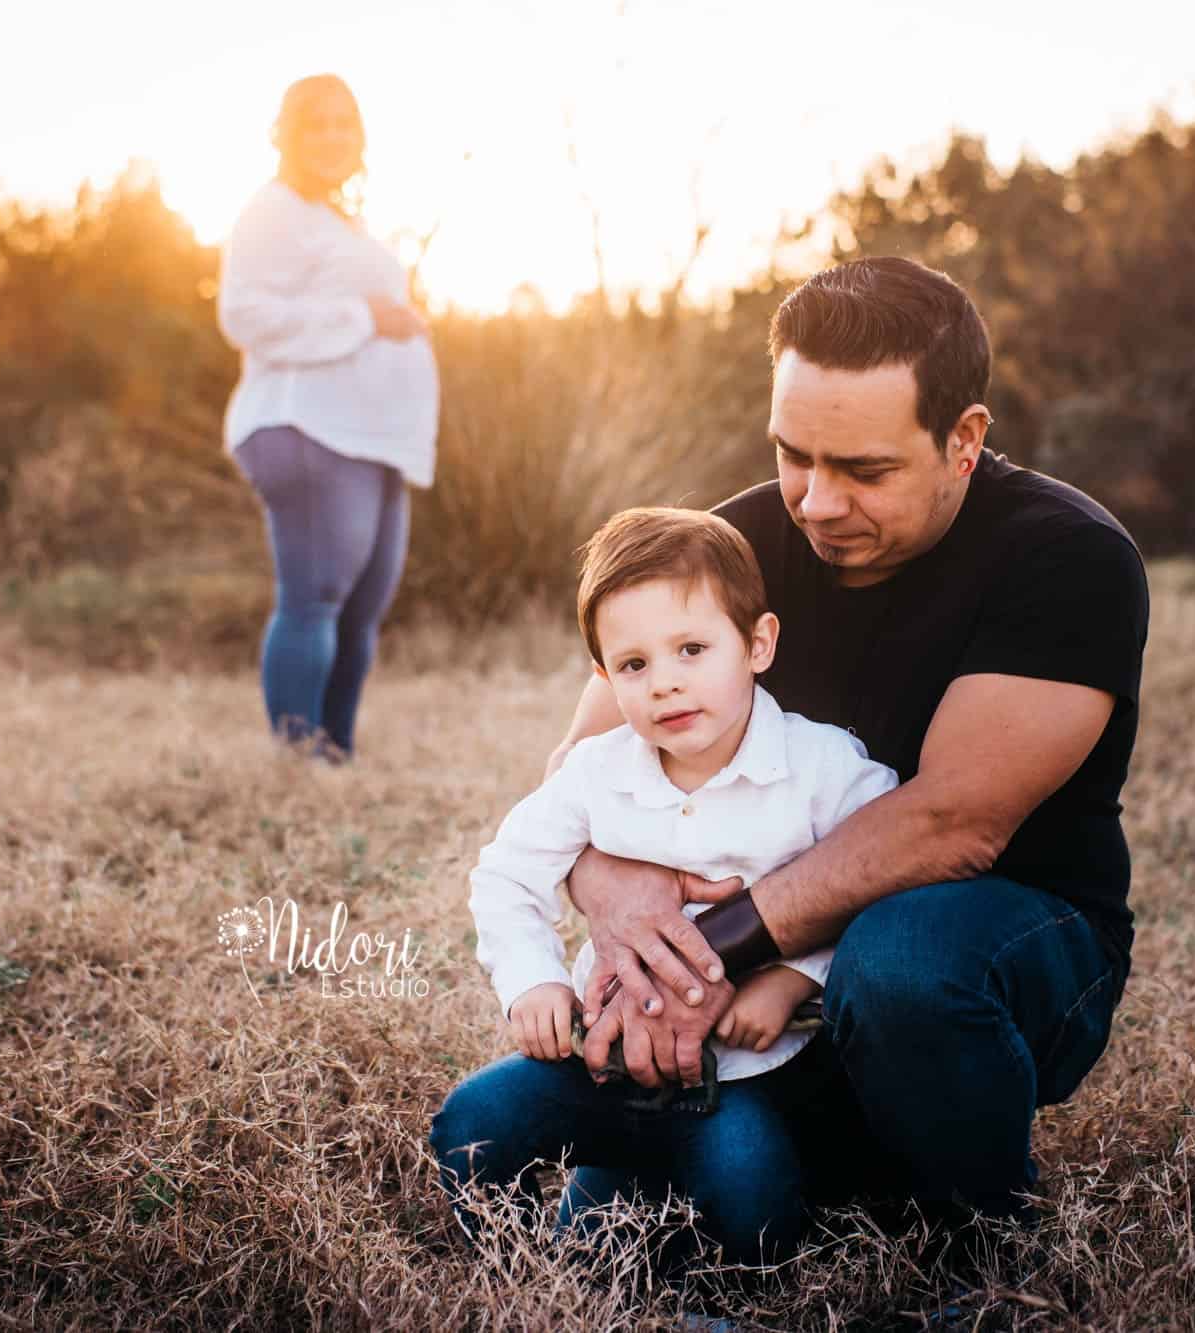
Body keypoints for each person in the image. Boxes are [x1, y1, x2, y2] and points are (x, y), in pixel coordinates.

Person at [552, 257, 1150, 1234]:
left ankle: (982, 1248)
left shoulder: (1069, 558)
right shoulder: (728, 548)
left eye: (863, 470)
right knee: (620, 1225)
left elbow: (951, 826)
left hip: (1004, 944)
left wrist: (708, 949)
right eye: (794, 454)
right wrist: (631, 919)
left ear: (962, 441)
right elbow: (580, 773)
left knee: (900, 964)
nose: (816, 502)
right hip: (756, 970)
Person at [429, 507, 899, 1267]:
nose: (666, 683)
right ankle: (528, 1270)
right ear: (606, 678)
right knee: (471, 1124)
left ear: (757, 643)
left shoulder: (823, 770)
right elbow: (506, 873)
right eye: (635, 665)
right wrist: (534, 982)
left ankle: (667, 1248)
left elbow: (885, 882)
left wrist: (790, 978)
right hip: (600, 1062)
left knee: (756, 1207)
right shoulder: (595, 774)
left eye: (691, 648)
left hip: (740, 1080)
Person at [216, 73, 436, 759]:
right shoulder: (271, 209)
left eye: (346, 123)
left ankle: (333, 752)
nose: (334, 137)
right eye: (317, 123)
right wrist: (367, 315)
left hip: (374, 437)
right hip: (308, 427)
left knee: (363, 604)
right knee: (317, 595)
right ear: (285, 133)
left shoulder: (340, 218)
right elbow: (243, 316)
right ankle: (296, 759)